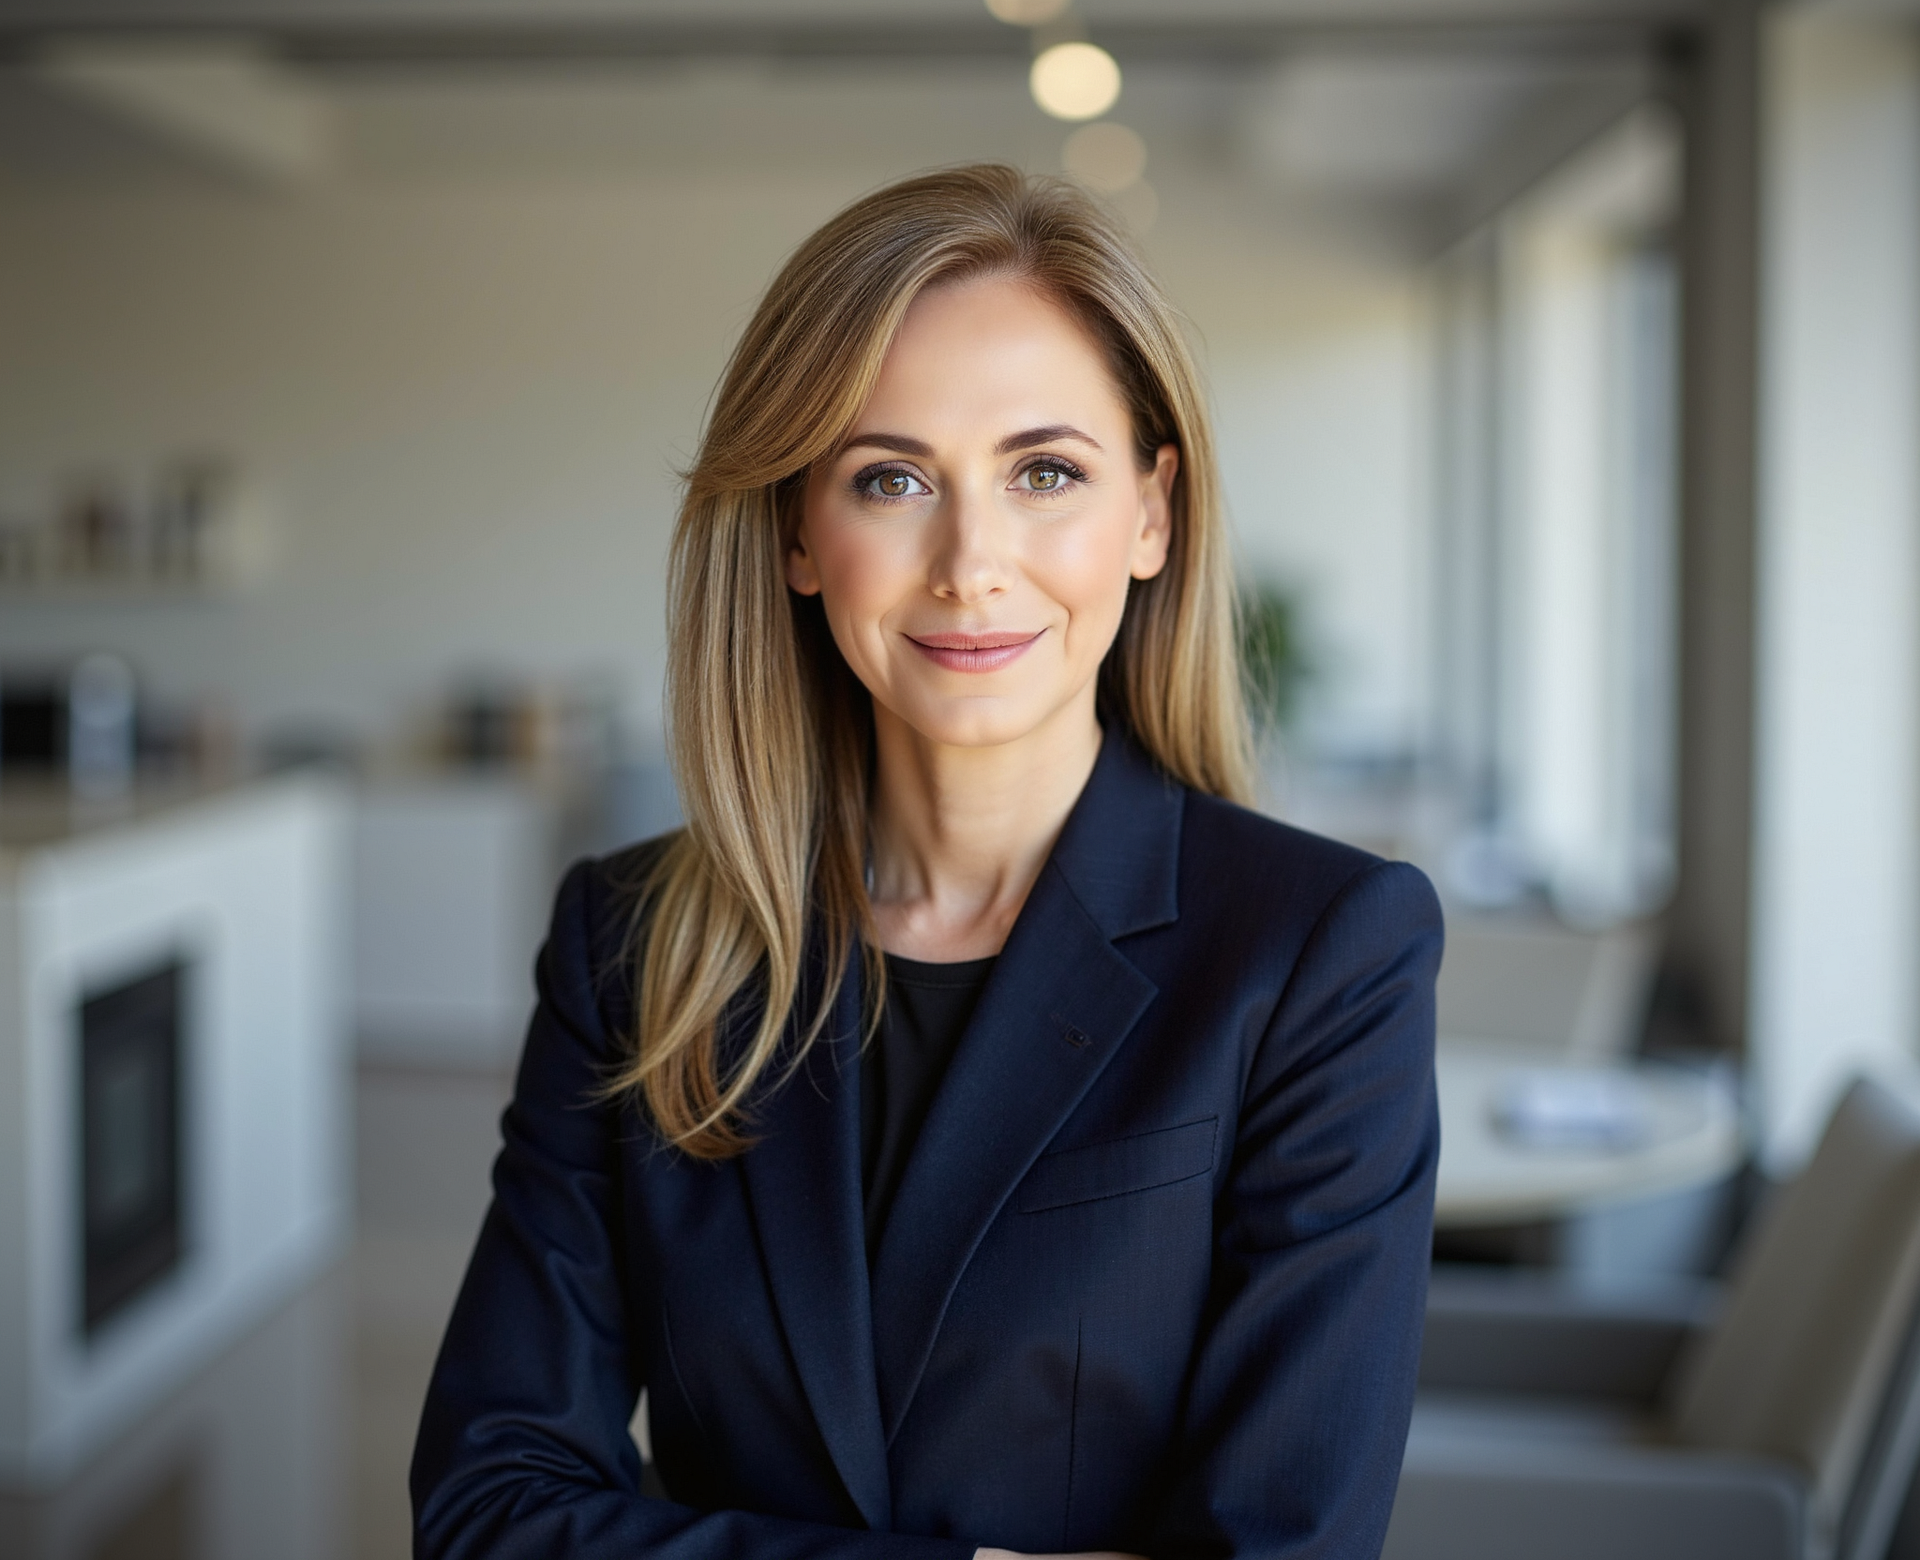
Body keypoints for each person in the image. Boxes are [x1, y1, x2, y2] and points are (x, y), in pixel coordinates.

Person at [412, 164, 1441, 1560]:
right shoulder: (633, 945)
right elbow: (489, 1511)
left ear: (1153, 515)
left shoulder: (1320, 952)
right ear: (794, 531)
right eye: (890, 478)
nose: (970, 562)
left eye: (1046, 473)